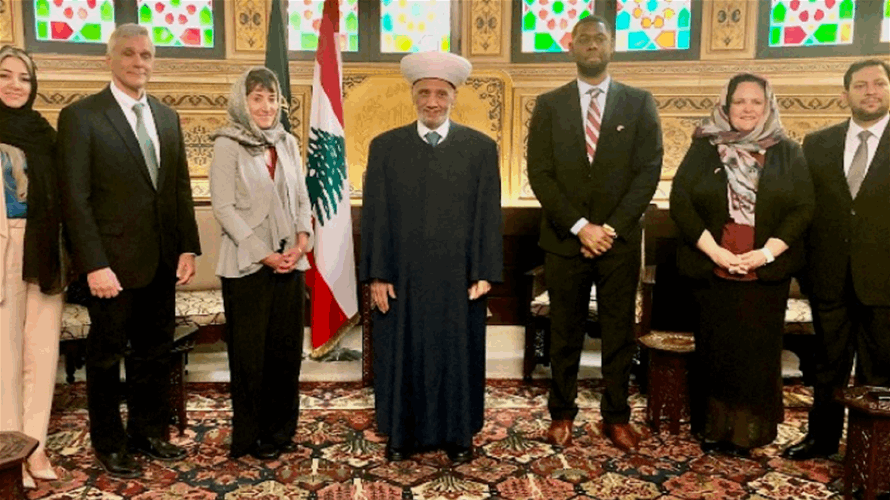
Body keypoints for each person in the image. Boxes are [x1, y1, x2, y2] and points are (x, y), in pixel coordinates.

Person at [57, 24, 201, 478]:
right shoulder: (81, 117)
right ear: (109, 59)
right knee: (105, 358)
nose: (139, 62)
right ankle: (109, 443)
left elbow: (178, 188)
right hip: (110, 269)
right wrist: (93, 264)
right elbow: (74, 199)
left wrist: (187, 248)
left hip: (161, 262)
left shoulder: (166, 117)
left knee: (153, 353)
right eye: (129, 53)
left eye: (146, 55)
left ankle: (147, 432)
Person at [526, 15, 663, 451]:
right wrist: (581, 227)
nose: (591, 44)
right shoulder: (549, 105)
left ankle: (617, 417)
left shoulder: (639, 103)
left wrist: (610, 229)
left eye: (599, 38)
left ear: (611, 46)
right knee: (564, 333)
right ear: (570, 47)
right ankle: (562, 414)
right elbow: (540, 173)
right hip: (564, 240)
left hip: (618, 244)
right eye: (583, 38)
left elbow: (648, 172)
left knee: (618, 334)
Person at [359, 51, 503, 464]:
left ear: (454, 96)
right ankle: (402, 435)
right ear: (413, 95)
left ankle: (458, 435)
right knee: (403, 355)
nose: (433, 102)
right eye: (424, 93)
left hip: (459, 279)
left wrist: (484, 271)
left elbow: (488, 214)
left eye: (441, 93)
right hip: (402, 278)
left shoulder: (480, 148)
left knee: (457, 357)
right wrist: (377, 275)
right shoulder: (385, 148)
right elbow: (375, 217)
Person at [670, 73, 814, 455]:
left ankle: (750, 433)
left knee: (756, 358)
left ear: (768, 107)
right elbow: (681, 201)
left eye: (756, 101)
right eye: (739, 101)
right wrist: (715, 252)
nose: (747, 108)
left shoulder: (788, 150)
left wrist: (765, 254)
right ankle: (714, 429)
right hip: (712, 268)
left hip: (765, 272)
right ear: (726, 105)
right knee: (715, 353)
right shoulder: (704, 147)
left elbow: (803, 208)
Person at [783, 59, 890, 461]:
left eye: (878, 83)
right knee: (827, 367)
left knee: (880, 373)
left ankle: (873, 452)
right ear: (845, 95)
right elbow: (805, 210)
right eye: (860, 85)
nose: (870, 91)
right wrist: (807, 273)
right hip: (829, 279)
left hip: (884, 283)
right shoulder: (818, 144)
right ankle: (821, 439)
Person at [210, 67, 312, 461]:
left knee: (286, 355)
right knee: (250, 358)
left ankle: (280, 433)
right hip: (247, 267)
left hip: (290, 263)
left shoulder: (287, 142)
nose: (266, 106)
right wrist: (262, 253)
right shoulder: (227, 144)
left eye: (272, 98)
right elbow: (223, 207)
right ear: (243, 101)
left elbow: (301, 197)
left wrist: (302, 242)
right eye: (257, 98)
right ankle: (249, 436)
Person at [0, 45, 68, 489]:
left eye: (24, 78)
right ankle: (9, 454)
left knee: (41, 355)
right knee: (4, 357)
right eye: (5, 75)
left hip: (43, 249)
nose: (15, 85)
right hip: (2, 246)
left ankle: (36, 447)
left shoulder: (44, 134)